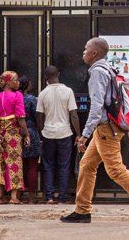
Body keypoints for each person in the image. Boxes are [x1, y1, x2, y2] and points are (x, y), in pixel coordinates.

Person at [61, 37, 129, 225]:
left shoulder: (98, 72)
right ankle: (82, 210)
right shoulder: (111, 69)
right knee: (87, 165)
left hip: (106, 130)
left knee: (115, 169)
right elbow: (120, 101)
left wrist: (84, 135)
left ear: (94, 53)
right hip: (108, 128)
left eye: (86, 49)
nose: (83, 52)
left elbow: (97, 107)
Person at [36, 65, 80, 204]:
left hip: (48, 133)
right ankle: (63, 197)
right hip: (65, 133)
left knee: (48, 165)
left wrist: (41, 132)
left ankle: (49, 196)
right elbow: (73, 114)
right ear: (59, 74)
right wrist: (78, 134)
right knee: (64, 165)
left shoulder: (43, 93)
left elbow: (39, 116)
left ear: (45, 77)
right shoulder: (68, 91)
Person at [0, 71, 30, 204]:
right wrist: (26, 134)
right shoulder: (17, 96)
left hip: (0, 134)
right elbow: (21, 118)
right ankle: (13, 197)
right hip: (13, 134)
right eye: (15, 80)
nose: (18, 83)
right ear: (8, 82)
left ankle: (0, 197)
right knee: (14, 163)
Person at [20, 75, 41, 203]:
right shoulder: (31, 99)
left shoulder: (15, 98)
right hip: (31, 132)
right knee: (32, 165)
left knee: (19, 165)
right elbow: (37, 116)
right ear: (27, 85)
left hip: (17, 133)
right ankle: (31, 197)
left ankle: (18, 194)